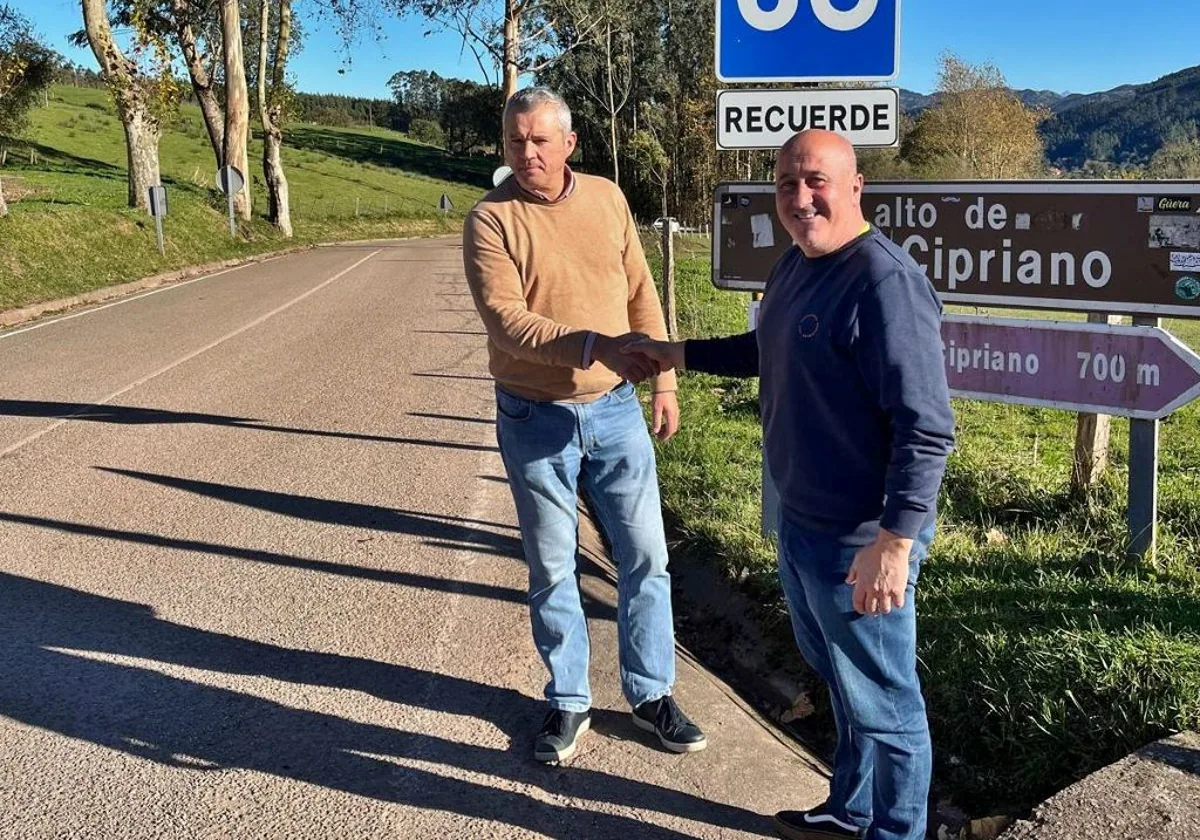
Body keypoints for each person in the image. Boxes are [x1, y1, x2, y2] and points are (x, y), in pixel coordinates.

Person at [624, 129, 955, 840]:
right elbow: (765, 349)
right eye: (785, 185)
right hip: (804, 527)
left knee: (889, 706)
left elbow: (926, 429)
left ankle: (895, 833)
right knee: (841, 680)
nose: (800, 198)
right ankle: (851, 808)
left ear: (855, 187)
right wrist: (674, 353)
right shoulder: (797, 265)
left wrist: (894, 543)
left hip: (862, 540)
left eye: (817, 182)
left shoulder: (884, 283)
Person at [461, 86, 707, 764]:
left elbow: (639, 289)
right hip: (534, 415)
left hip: (617, 410)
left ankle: (652, 692)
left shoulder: (607, 198)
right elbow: (505, 322)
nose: (527, 153)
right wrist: (594, 345)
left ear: (570, 143)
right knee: (551, 565)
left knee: (646, 557)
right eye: (516, 142)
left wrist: (664, 377)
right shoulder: (490, 219)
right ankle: (569, 700)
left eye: (541, 140)